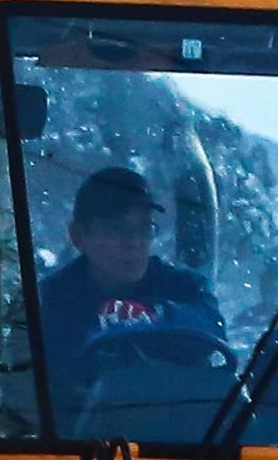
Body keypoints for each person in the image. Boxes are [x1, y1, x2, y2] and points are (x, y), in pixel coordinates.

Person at [36, 164, 226, 401]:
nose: (133, 242)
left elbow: (212, 328)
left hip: (185, 425)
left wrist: (157, 317)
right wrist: (108, 329)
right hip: (90, 430)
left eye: (144, 229)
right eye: (116, 230)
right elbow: (52, 362)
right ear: (78, 237)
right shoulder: (51, 298)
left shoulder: (184, 287)